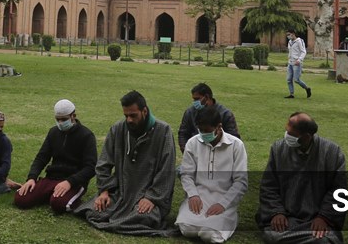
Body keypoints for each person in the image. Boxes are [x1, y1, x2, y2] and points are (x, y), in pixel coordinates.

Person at [81, 90, 176, 236]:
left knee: (144, 216)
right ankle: (119, 219)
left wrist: (151, 198)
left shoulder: (163, 131)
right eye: (126, 116)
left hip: (148, 197)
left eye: (133, 115)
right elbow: (103, 163)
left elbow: (167, 171)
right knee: (95, 211)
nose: (129, 120)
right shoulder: (118, 129)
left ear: (144, 111)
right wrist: (104, 191)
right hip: (120, 194)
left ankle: (121, 220)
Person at [257, 112, 346, 243]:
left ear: (306, 137)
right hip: (287, 217)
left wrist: (324, 217)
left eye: (291, 134)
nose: (286, 136)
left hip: (316, 218)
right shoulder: (278, 149)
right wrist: (277, 212)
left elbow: (339, 191)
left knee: (323, 240)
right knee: (274, 236)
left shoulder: (332, 152)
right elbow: (268, 186)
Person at [176, 105, 248, 243]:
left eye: (207, 131)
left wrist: (223, 204)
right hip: (199, 196)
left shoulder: (236, 145)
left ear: (219, 127)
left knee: (209, 235)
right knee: (187, 228)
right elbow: (186, 174)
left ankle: (229, 219)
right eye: (201, 130)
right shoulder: (193, 143)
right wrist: (193, 195)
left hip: (224, 197)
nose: (203, 134)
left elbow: (241, 181)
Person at [15, 99, 97, 213]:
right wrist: (31, 178)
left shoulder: (86, 135)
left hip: (74, 181)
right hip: (52, 177)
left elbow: (91, 167)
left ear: (73, 116)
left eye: (64, 119)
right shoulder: (53, 132)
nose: (60, 123)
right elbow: (41, 157)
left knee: (58, 205)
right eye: (57, 119)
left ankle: (61, 197)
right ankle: (51, 194)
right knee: (21, 199)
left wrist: (70, 182)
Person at [179, 83, 241, 151]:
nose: (194, 102)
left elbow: (233, 138)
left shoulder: (225, 114)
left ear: (206, 97)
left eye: (197, 99)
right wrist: (187, 152)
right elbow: (183, 134)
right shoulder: (190, 113)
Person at [285, 31, 311, 99]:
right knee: (289, 79)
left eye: (289, 34)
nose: (288, 36)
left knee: (296, 80)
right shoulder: (290, 42)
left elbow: (303, 51)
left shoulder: (299, 41)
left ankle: (307, 88)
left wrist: (299, 60)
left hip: (297, 63)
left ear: (293, 34)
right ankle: (291, 94)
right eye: (287, 35)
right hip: (290, 62)